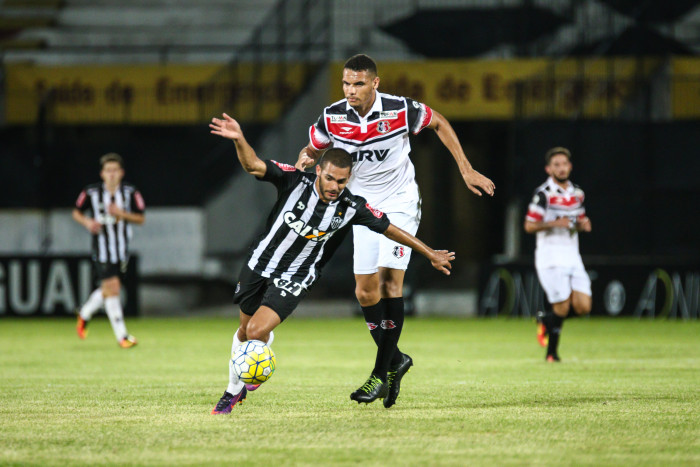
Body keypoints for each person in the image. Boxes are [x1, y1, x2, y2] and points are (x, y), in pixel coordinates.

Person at [208, 113, 455, 414]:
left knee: (257, 332)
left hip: (296, 274)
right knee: (244, 332)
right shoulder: (294, 180)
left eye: (341, 181)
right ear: (319, 171)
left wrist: (430, 253)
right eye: (329, 178)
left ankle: (232, 392)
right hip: (259, 264)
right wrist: (239, 139)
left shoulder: (351, 206)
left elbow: (390, 228)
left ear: (348, 180)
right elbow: (253, 164)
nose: (334, 186)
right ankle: (248, 371)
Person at [295, 54, 495, 407]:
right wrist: (306, 159)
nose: (350, 90)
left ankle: (379, 374)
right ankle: (397, 359)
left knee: (389, 283)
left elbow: (440, 122)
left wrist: (466, 169)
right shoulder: (333, 116)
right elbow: (314, 146)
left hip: (399, 202)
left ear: (375, 83)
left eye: (358, 83)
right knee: (365, 293)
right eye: (346, 83)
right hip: (360, 208)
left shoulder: (399, 110)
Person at [524, 147, 592, 362]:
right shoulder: (543, 194)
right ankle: (552, 354)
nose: (561, 168)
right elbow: (529, 226)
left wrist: (583, 225)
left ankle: (547, 320)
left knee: (583, 306)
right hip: (550, 255)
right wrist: (554, 223)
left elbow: (577, 221)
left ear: (570, 166)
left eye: (564, 164)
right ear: (548, 169)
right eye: (556, 165)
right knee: (562, 304)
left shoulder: (577, 193)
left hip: (572, 254)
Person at [73, 153, 145, 348]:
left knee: (108, 289)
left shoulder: (131, 192)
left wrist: (121, 214)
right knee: (113, 288)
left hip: (121, 250)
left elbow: (141, 218)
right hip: (102, 249)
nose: (111, 174)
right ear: (102, 174)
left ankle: (85, 313)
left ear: (121, 173)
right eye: (108, 171)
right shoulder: (91, 193)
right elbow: (76, 211)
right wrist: (88, 221)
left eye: (115, 170)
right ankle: (122, 336)